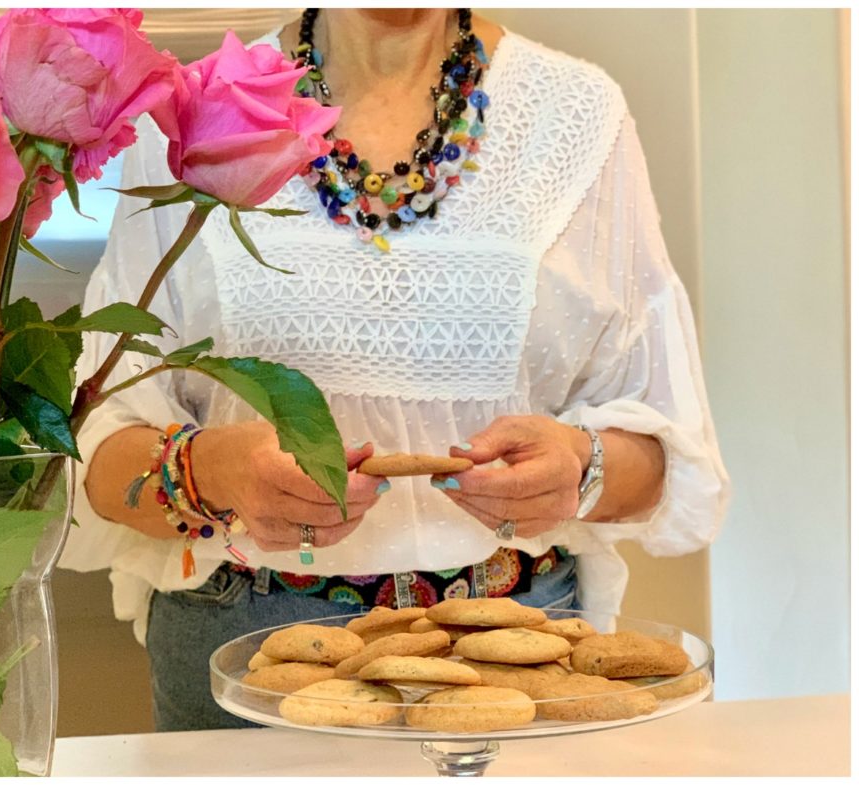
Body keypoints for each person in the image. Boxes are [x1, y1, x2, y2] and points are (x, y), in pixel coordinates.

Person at [60, 9, 730, 732]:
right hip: (246, 669)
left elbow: (666, 462)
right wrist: (216, 471)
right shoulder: (192, 111)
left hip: (518, 664)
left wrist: (579, 468)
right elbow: (96, 457)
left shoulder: (579, 114)